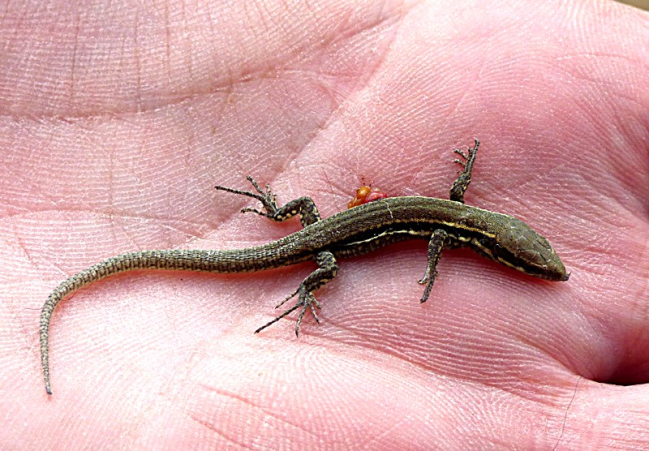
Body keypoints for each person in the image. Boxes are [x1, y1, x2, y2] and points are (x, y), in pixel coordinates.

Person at [2, 1, 647, 448]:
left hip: (319, 226)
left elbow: (446, 216)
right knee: (328, 264)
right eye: (530, 261)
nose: (538, 268)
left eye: (533, 260)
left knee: (307, 218)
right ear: (497, 245)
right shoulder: (452, 229)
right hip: (324, 249)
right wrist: (405, 273)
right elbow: (436, 239)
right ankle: (304, 279)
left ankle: (277, 221)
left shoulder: (455, 217)